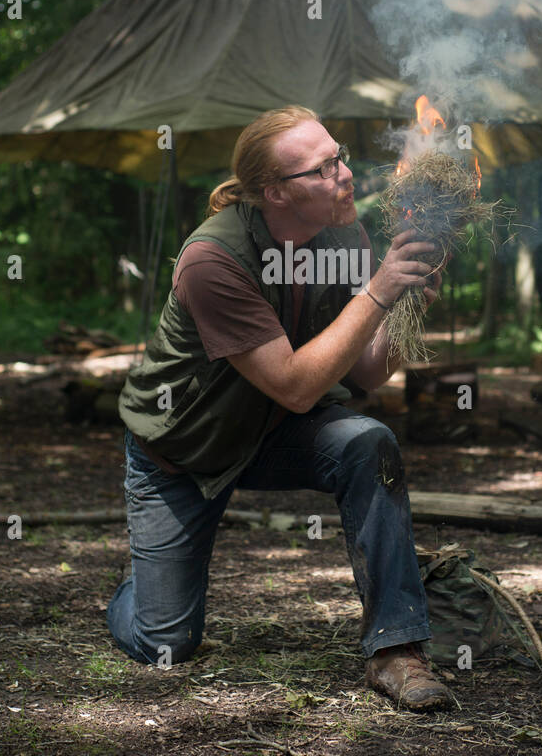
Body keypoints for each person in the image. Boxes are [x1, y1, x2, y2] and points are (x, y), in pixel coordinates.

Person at [107, 105, 452, 711]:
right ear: (276, 192)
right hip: (187, 449)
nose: (345, 174)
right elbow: (294, 385)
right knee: (164, 644)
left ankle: (397, 649)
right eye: (323, 169)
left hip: (276, 431)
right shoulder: (213, 260)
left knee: (368, 442)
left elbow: (368, 369)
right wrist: (377, 291)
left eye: (340, 156)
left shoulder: (347, 236)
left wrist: (409, 301)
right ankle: (143, 585)